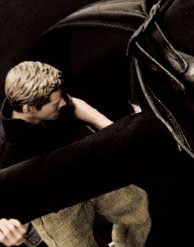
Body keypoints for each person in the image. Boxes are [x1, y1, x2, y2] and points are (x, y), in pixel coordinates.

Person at [0, 61, 151, 247]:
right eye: (56, 103)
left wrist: (115, 132)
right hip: (56, 209)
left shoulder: (43, 101)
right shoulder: (7, 151)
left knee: (137, 207)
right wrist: (2, 227)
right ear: (29, 109)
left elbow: (73, 103)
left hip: (84, 175)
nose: (63, 103)